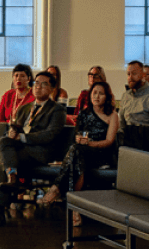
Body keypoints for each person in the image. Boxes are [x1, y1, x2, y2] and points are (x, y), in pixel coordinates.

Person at [0, 72, 67, 228]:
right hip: (20, 152)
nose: (38, 87)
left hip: (41, 153)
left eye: (43, 84)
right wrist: (12, 133)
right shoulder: (24, 109)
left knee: (4, 160)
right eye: (36, 83)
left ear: (52, 89)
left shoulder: (57, 110)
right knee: (3, 141)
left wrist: (22, 138)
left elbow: (50, 135)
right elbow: (14, 129)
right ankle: (12, 180)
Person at [39, 81, 119, 220]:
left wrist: (90, 144)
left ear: (107, 96)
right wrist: (80, 141)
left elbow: (109, 142)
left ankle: (57, 189)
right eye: (94, 93)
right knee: (78, 158)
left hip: (102, 153)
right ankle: (75, 208)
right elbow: (77, 136)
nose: (97, 96)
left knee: (77, 153)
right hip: (82, 152)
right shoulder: (84, 113)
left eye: (101, 93)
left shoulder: (112, 115)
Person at [118, 60, 149, 153]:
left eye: (134, 73)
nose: (130, 77)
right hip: (127, 138)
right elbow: (121, 124)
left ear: (143, 76)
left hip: (146, 140)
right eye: (128, 74)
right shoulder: (126, 96)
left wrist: (138, 134)